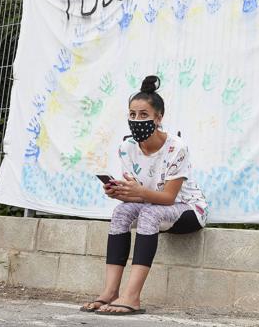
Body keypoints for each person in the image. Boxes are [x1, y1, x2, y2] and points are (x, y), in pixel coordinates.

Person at [80, 75, 208, 315]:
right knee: (120, 212)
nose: (136, 120)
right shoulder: (126, 147)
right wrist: (120, 194)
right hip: (154, 206)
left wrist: (139, 193)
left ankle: (132, 297)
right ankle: (110, 292)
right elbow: (140, 196)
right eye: (132, 114)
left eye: (143, 115)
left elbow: (169, 197)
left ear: (158, 118)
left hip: (188, 209)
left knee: (149, 214)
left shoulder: (176, 147)